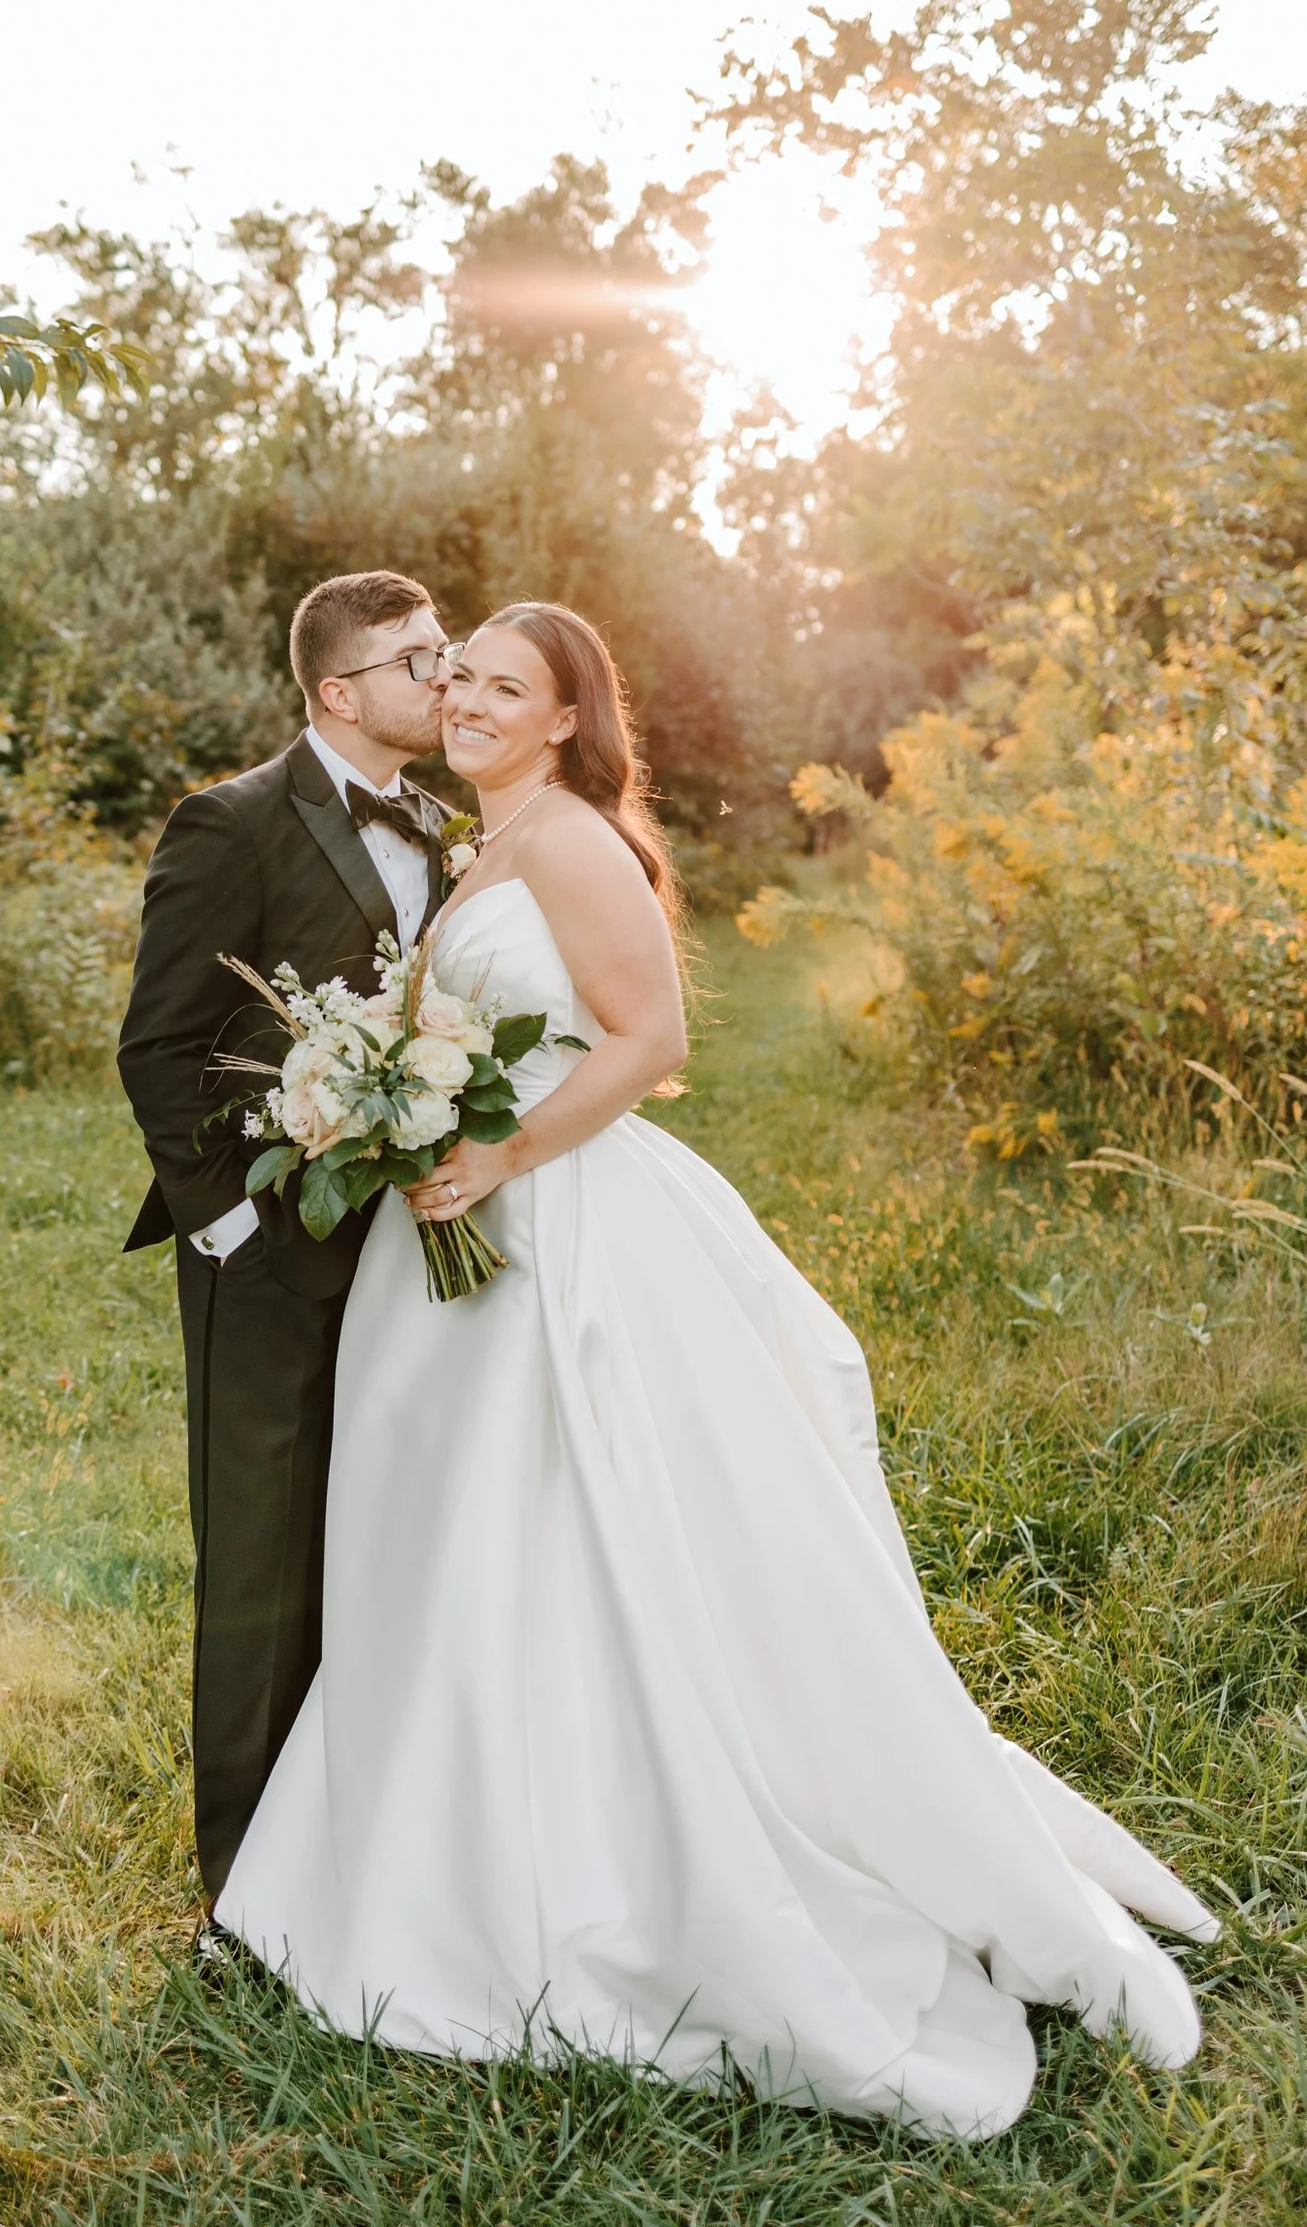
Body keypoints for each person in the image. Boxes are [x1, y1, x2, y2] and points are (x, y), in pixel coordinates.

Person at [213, 598, 1219, 2140]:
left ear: (564, 717)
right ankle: (450, 1851)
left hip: (559, 1227)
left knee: (591, 1531)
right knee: (466, 1549)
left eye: (504, 684)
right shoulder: (480, 844)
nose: (468, 698)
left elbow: (649, 1035)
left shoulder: (562, 840)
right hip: (454, 1234)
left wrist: (495, 1155)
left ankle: (630, 1866)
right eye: (456, 674)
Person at [117, 570, 453, 1910]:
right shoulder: (235, 824)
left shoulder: (439, 821)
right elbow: (158, 1048)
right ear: (339, 691)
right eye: (420, 659)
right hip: (271, 1245)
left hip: (414, 1237)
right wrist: (231, 1228)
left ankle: (370, 1831)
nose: (446, 676)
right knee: (262, 1553)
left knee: (391, 1523)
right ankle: (243, 1886)